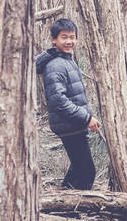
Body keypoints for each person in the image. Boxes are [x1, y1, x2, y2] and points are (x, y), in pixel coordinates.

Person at [35, 18, 101, 189]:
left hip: (75, 124)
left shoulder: (66, 60)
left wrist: (86, 119)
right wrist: (86, 118)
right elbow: (58, 101)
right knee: (87, 172)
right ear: (54, 39)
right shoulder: (55, 65)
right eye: (64, 37)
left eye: (72, 37)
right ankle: (75, 211)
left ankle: (62, 205)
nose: (69, 41)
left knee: (77, 169)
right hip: (69, 126)